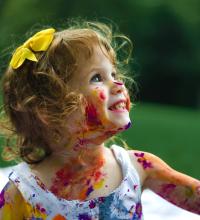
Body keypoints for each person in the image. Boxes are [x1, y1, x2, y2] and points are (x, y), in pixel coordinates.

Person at [0, 20, 199, 220]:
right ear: (48, 110)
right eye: (97, 77)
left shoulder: (137, 168)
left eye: (113, 74)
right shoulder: (23, 191)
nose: (118, 83)